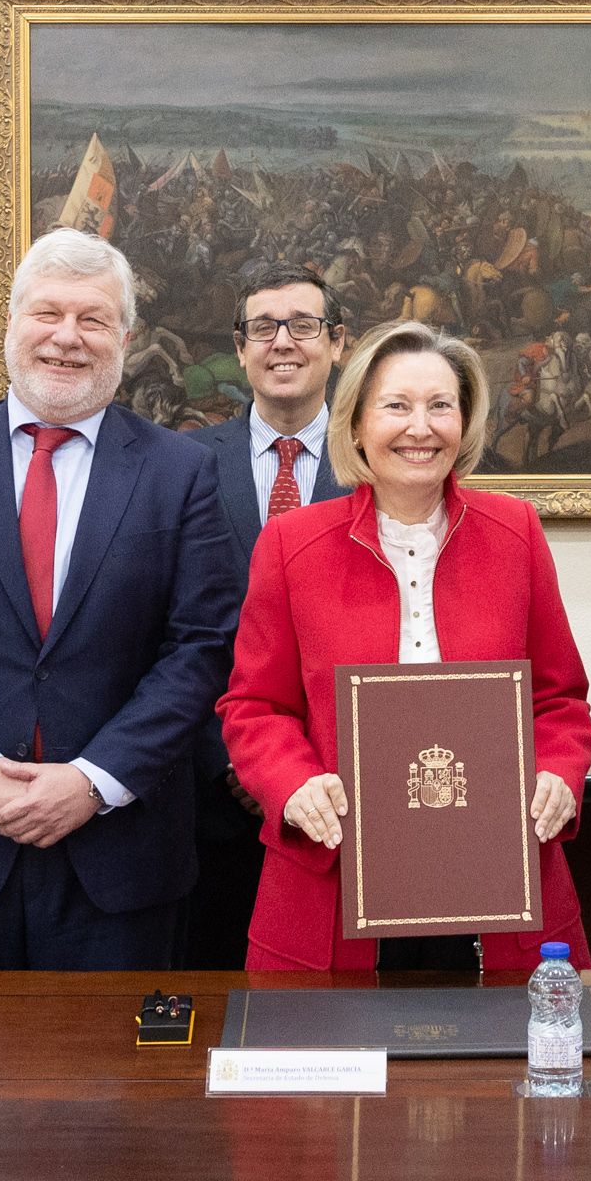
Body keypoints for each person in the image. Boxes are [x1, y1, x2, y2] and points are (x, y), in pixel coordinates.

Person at [0, 230, 239, 969]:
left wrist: (94, 780)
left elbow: (202, 647)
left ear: (124, 337)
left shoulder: (180, 472)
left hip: (119, 854)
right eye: (46, 313)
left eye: (92, 319)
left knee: (113, 1080)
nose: (66, 337)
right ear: (10, 328)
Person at [221, 321, 591, 974]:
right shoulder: (290, 544)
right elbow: (253, 706)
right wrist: (293, 782)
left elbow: (558, 698)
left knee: (500, 1071)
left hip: (498, 879)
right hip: (334, 880)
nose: (420, 427)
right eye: (396, 406)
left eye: (440, 405)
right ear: (357, 424)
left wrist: (558, 774)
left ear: (465, 421)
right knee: (333, 1075)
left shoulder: (516, 532)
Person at [180, 262, 348, 966]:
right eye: (262, 327)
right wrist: (240, 765)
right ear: (240, 347)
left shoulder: (378, 464)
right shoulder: (179, 464)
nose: (283, 341)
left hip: (344, 799)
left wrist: (309, 769)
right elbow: (168, 630)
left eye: (303, 325)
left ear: (337, 344)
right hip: (208, 797)